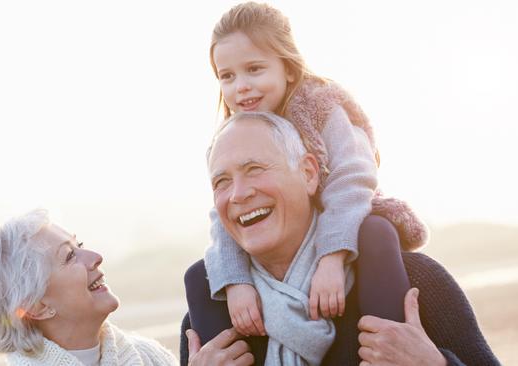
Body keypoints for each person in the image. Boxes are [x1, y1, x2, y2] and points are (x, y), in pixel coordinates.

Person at [181, 111, 499, 365]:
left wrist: (434, 365)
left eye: (255, 169)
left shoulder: (414, 282)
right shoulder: (210, 323)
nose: (238, 193)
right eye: (221, 181)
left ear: (308, 173)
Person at [199, 1, 425, 341]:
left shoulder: (321, 107)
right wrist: (235, 282)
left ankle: (386, 343)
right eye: (227, 76)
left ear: (288, 68)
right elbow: (225, 214)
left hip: (344, 219)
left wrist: (332, 257)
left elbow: (352, 178)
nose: (240, 86)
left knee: (377, 232)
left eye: (254, 69)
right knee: (197, 276)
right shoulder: (233, 136)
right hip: (283, 239)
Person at [0, 209, 253, 366]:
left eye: (80, 245)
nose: (96, 257)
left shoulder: (147, 355)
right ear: (37, 306)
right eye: (69, 256)